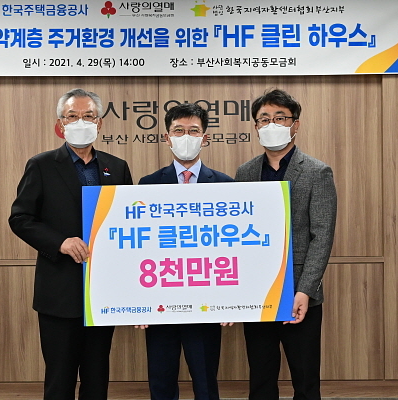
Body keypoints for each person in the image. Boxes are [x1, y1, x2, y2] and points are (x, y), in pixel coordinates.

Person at [9, 88, 133, 400]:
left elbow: (128, 222)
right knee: (60, 381)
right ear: (61, 124)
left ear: (99, 123)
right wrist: (60, 242)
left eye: (88, 116)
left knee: (96, 379)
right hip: (59, 291)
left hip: (102, 293)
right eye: (72, 116)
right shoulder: (41, 165)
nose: (81, 122)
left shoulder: (117, 167)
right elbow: (20, 218)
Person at [235, 89, 337, 400]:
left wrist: (305, 290)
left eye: (280, 118)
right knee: (261, 378)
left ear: (295, 125)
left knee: (305, 381)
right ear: (256, 127)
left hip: (299, 294)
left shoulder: (317, 172)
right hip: (258, 293)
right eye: (264, 119)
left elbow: (322, 236)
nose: (271, 125)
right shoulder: (245, 173)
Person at [137, 103, 234, 400]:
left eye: (193, 131)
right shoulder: (147, 185)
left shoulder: (226, 185)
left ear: (205, 138)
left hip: (207, 303)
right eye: (179, 131)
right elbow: (139, 246)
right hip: (160, 302)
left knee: (205, 383)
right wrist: (136, 301)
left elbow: (234, 247)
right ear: (167, 138)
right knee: (161, 381)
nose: (186, 137)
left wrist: (234, 300)